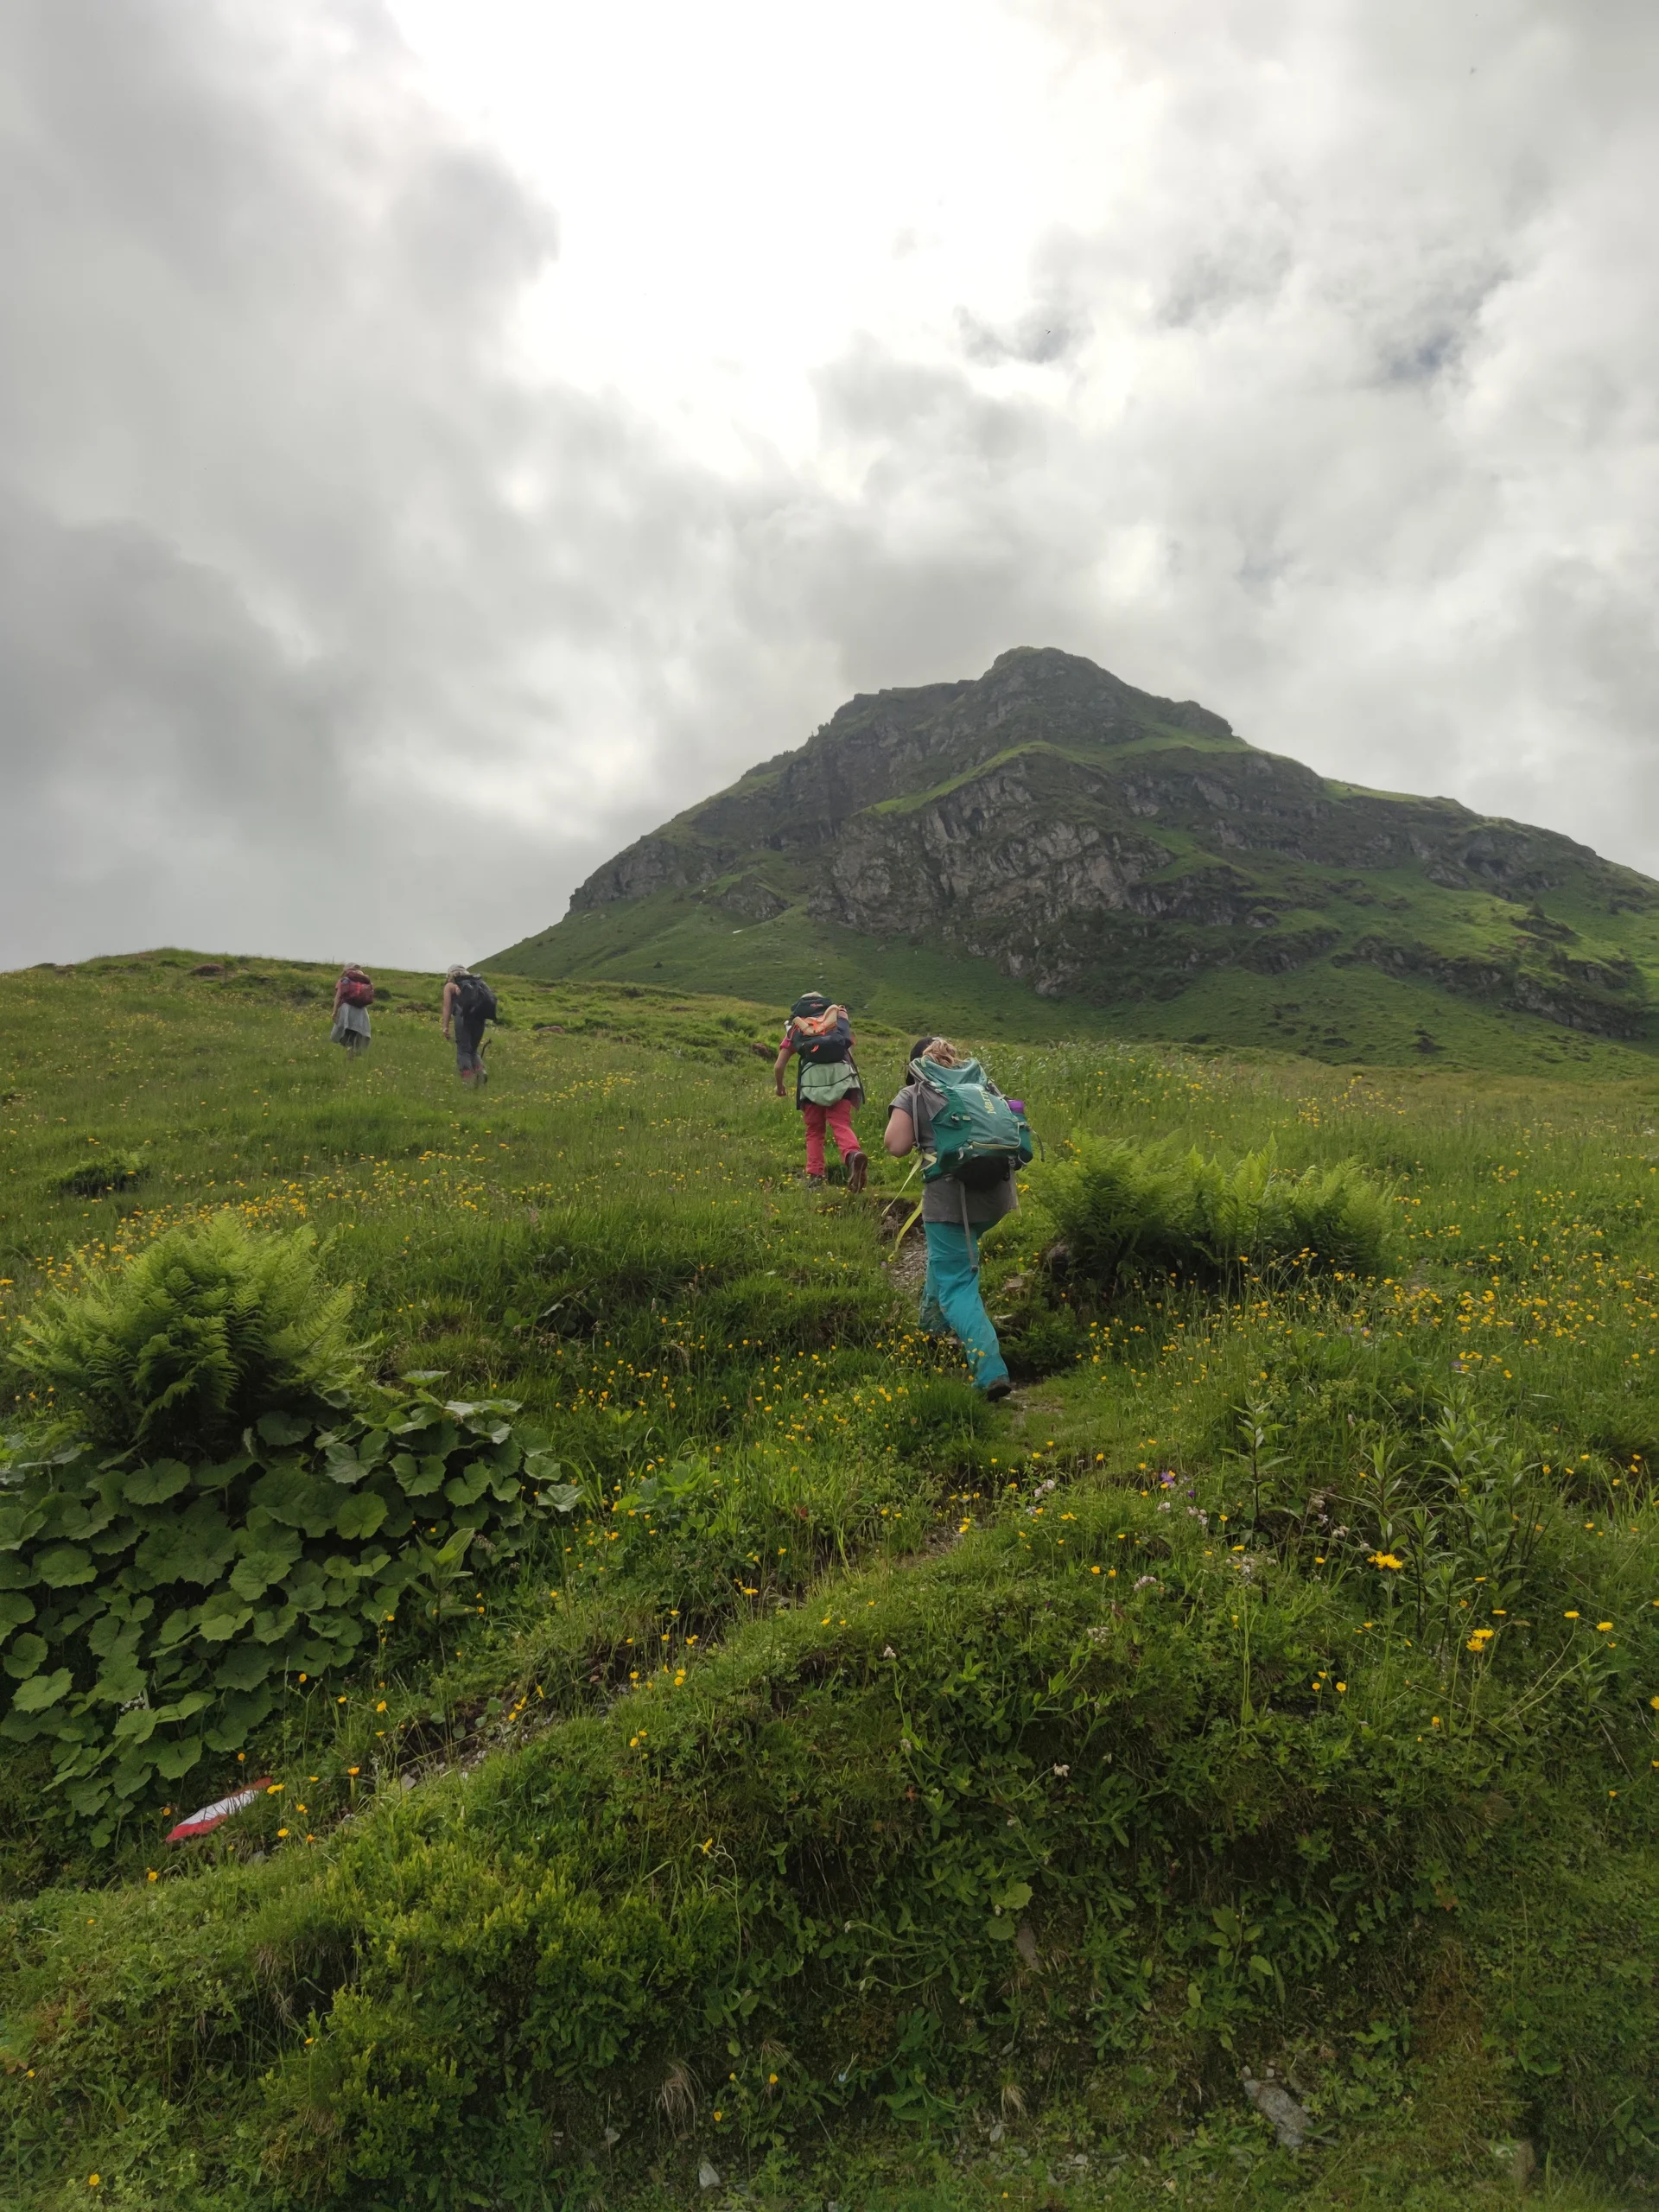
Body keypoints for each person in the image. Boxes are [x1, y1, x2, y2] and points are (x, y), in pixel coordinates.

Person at [886, 1035, 1021, 1402]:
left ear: (914, 1065)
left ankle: (990, 1370)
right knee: (949, 1262)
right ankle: (929, 1329)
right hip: (995, 1196)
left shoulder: (915, 1092)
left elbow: (896, 1146)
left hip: (951, 1201)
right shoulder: (980, 1086)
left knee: (957, 1283)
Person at [773, 990, 868, 1192]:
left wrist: (780, 1086)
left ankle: (816, 1178)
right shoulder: (836, 1021)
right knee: (841, 1124)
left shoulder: (798, 1026)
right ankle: (852, 1155)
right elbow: (848, 1051)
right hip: (842, 1076)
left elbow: (779, 1065)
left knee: (815, 1131)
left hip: (811, 1082)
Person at [442, 965, 497, 1084]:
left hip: (463, 1018)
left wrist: (445, 1027)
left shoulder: (450, 986)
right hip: (480, 1018)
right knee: (473, 1050)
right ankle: (481, 1072)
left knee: (463, 1050)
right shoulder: (477, 983)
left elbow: (447, 1008)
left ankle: (468, 1079)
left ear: (450, 974)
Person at [330, 964, 373, 1057]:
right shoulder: (364, 981)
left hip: (347, 1009)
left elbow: (338, 998)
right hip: (362, 1011)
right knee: (356, 1034)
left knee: (346, 1033)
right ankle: (352, 1055)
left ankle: (349, 1056)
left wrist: (335, 1011)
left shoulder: (345, 980)